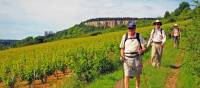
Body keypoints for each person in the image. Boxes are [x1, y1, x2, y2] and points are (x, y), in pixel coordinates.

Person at [120, 22, 146, 88]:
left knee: (137, 75)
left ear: (135, 28)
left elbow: (144, 47)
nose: (131, 30)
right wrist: (122, 55)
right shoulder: (125, 36)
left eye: (132, 28)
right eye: (129, 28)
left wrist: (142, 50)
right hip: (127, 59)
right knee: (127, 75)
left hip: (137, 58)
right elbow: (122, 48)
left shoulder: (138, 36)